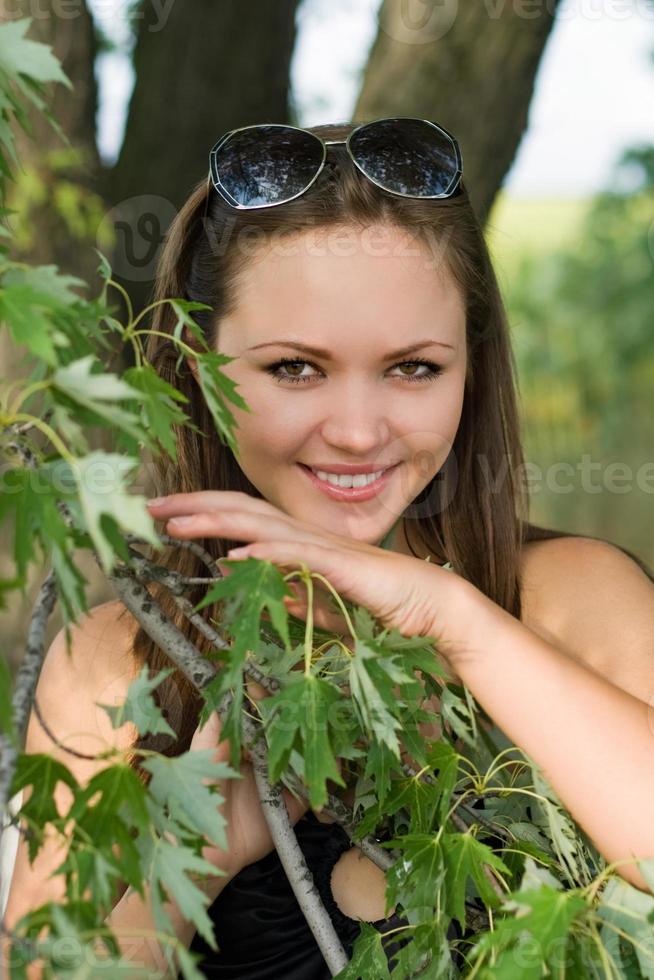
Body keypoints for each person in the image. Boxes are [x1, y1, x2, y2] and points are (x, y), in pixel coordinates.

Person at [3, 117, 654, 979]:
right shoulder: (115, 666)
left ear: (471, 364)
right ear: (202, 368)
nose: (356, 432)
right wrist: (193, 851)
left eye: (414, 368)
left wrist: (456, 621)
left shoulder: (575, 600)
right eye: (294, 369)